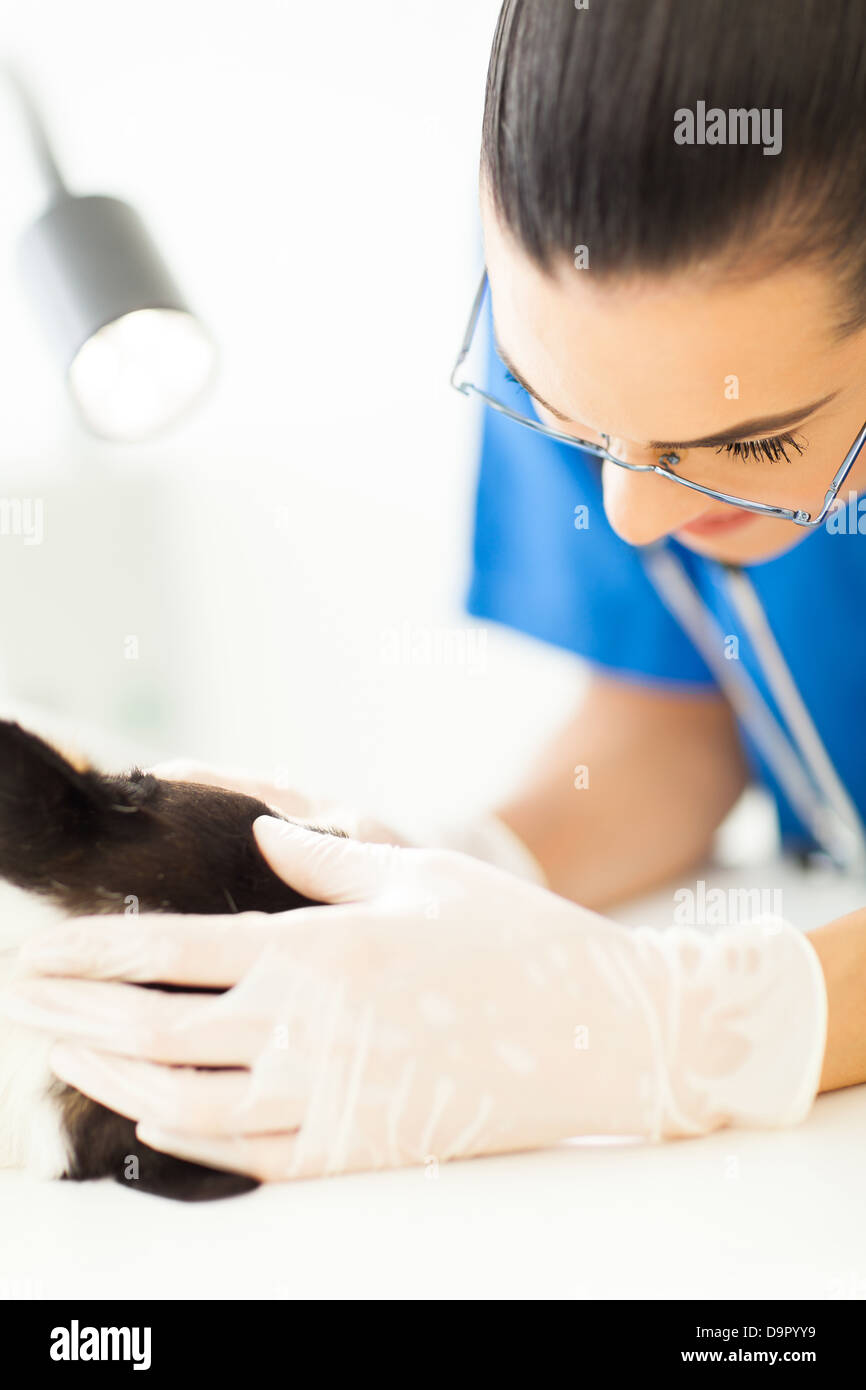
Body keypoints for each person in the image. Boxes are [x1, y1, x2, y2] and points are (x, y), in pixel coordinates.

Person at [4, 0, 866, 1183]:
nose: (628, 510)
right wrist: (454, 871)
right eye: (563, 413)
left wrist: (699, 1025)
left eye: (749, 449)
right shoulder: (594, 283)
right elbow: (687, 707)